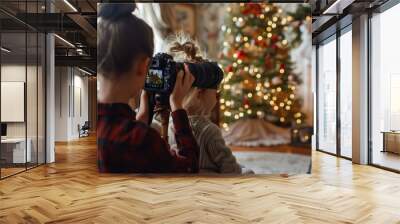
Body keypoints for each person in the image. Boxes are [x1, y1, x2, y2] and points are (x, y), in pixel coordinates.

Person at [97, 3, 199, 173]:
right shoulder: (143, 140)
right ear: (144, 65)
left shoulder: (94, 125)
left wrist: (140, 120)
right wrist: (178, 107)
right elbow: (189, 167)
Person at [165, 34, 247, 174]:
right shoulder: (210, 131)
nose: (216, 99)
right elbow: (231, 170)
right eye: (215, 93)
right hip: (209, 187)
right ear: (200, 93)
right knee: (247, 171)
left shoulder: (169, 125)